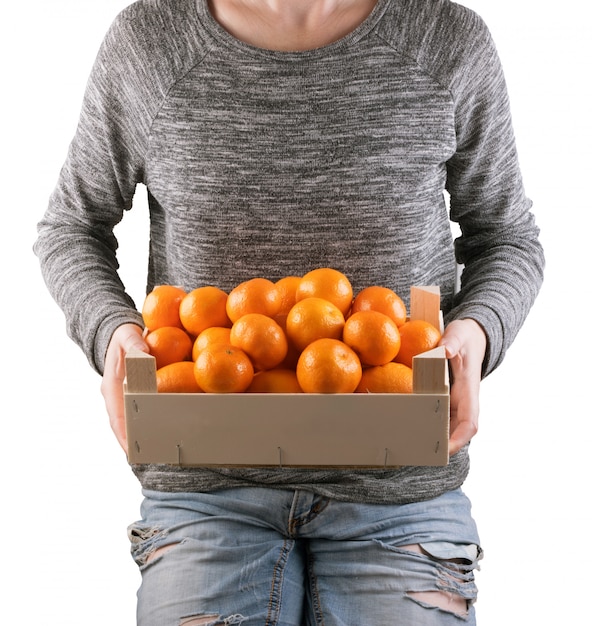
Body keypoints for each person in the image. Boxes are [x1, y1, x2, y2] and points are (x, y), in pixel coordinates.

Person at [35, 0, 544, 624]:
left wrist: (477, 330)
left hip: (397, 486)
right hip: (206, 484)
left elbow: (507, 237)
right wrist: (113, 333)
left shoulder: (444, 39)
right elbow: (72, 227)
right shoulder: (152, 41)